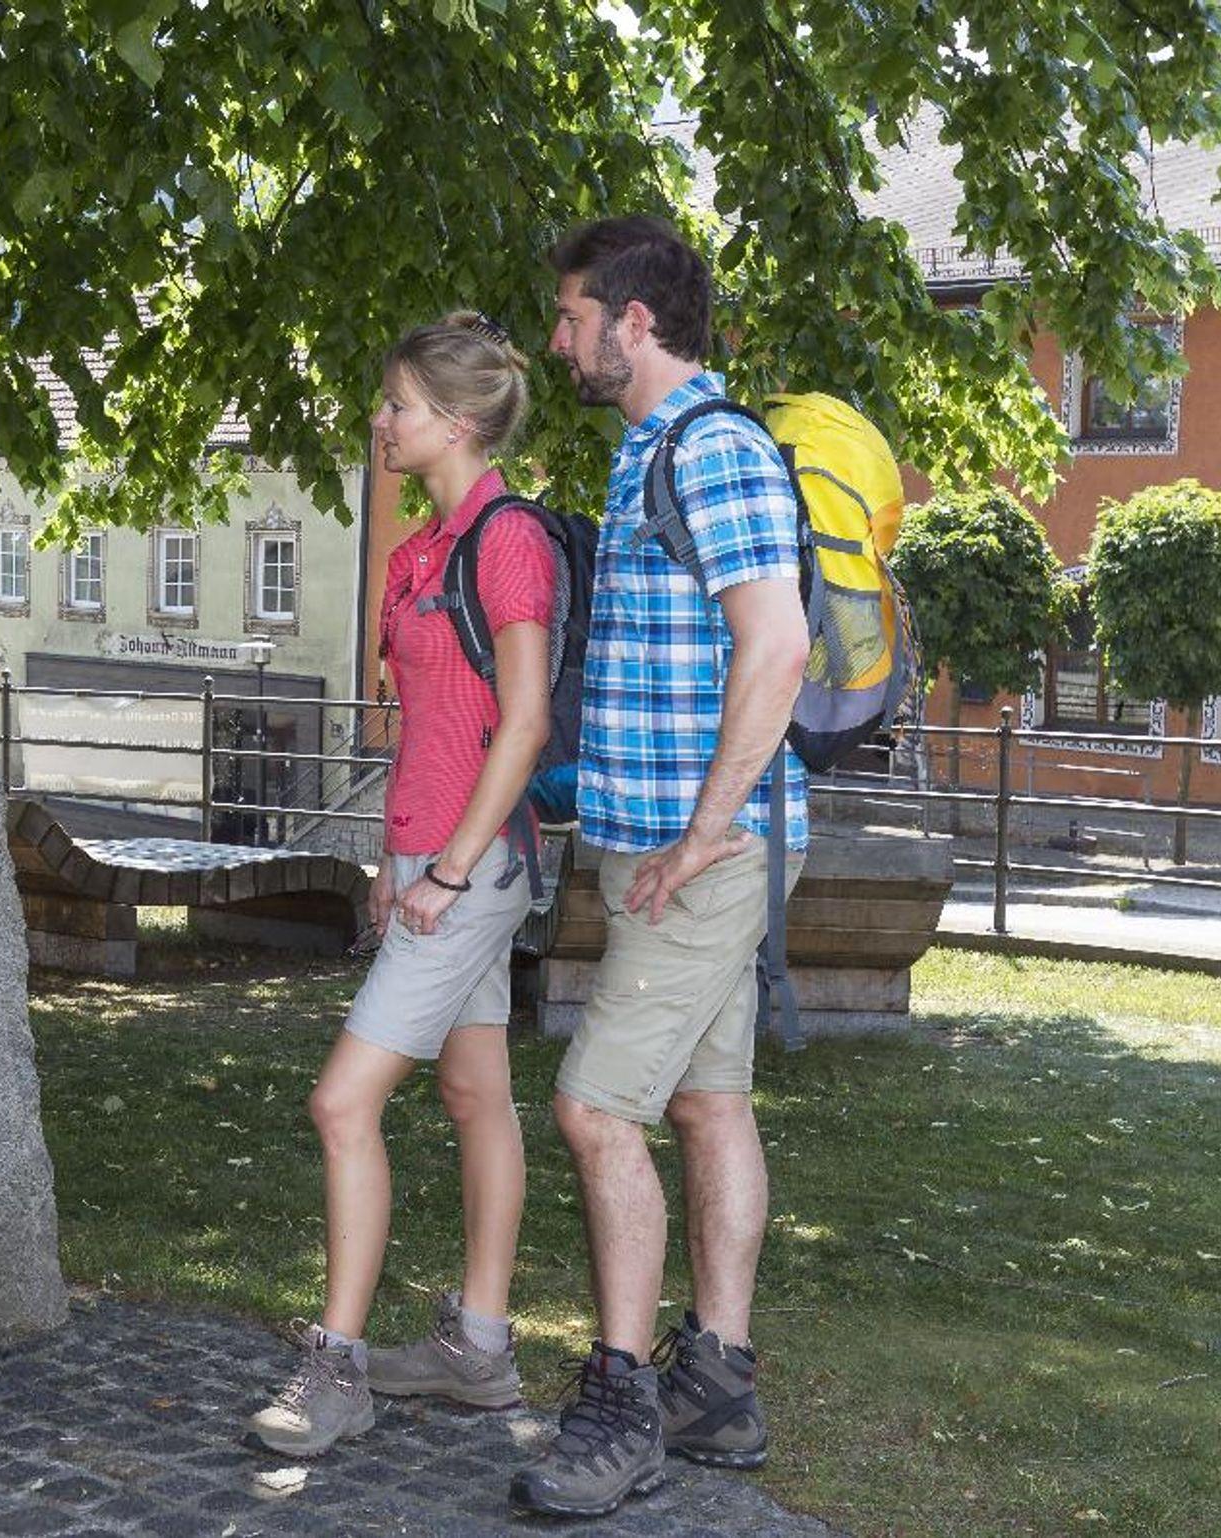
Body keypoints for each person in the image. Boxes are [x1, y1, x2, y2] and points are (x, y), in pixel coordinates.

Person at [508, 216, 811, 1520]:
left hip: (704, 850)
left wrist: (696, 836)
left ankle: (621, 1403)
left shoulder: (713, 448)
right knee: (704, 1101)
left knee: (593, 1109)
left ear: (633, 321)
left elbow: (777, 645)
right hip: (664, 842)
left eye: (573, 314)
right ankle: (718, 1386)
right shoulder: (652, 450)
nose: (557, 337)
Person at [244, 312, 554, 1457]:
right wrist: (394, 859)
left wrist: (452, 870)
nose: (379, 420)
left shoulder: (506, 538)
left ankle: (336, 1368)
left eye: (399, 405)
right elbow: (423, 727)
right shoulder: (418, 550)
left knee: (341, 1103)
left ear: (459, 422)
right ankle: (478, 1347)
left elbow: (521, 723)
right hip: (431, 860)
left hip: (475, 863)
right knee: (474, 1096)